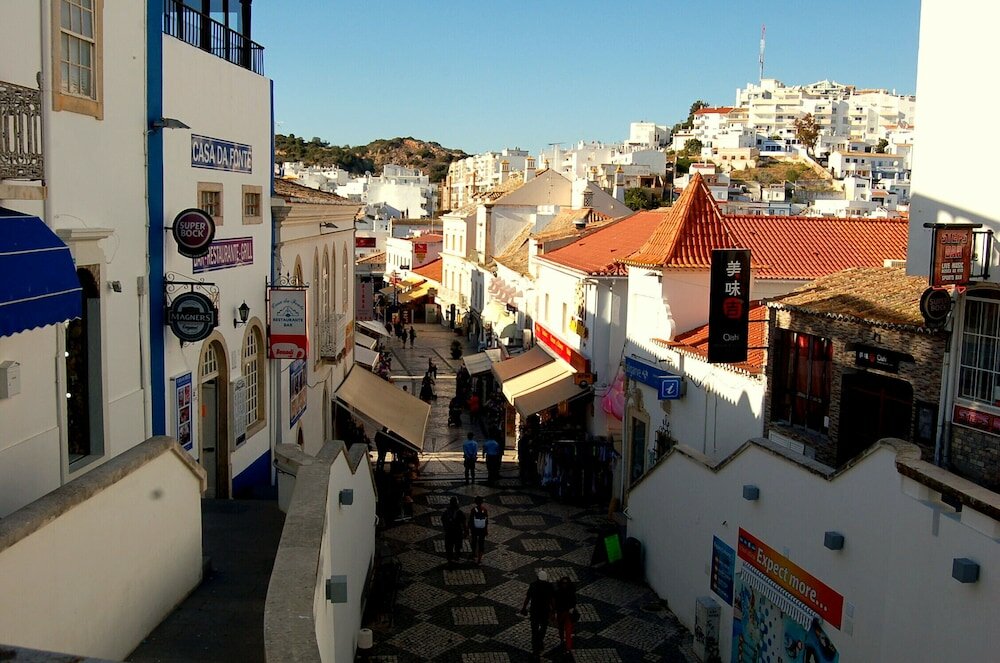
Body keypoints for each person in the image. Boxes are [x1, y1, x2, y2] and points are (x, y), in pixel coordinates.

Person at [521, 569, 555, 660]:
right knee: (543, 628)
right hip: (544, 611)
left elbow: (528, 597)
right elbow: (552, 600)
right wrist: (553, 611)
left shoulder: (533, 585)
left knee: (534, 629)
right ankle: (539, 642)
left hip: (535, 611)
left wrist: (524, 608)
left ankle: (536, 648)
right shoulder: (549, 586)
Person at [553, 575, 578, 654]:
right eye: (563, 583)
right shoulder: (558, 592)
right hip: (561, 613)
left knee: (568, 630)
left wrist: (572, 609)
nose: (564, 584)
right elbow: (555, 603)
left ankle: (568, 647)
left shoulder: (570, 592)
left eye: (566, 583)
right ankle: (561, 640)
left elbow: (574, 602)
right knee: (560, 628)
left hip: (567, 613)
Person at [442, 496, 467, 567]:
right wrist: (465, 531)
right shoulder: (460, 512)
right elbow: (464, 523)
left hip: (449, 532)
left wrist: (446, 528)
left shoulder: (446, 512)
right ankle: (456, 557)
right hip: (457, 532)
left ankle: (450, 559)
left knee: (449, 546)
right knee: (458, 546)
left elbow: (443, 520)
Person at [467, 495, 488, 564]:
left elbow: (470, 520)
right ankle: (479, 559)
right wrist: (486, 530)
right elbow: (486, 521)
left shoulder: (473, 510)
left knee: (474, 541)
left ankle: (474, 554)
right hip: (482, 529)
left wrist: (469, 528)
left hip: (475, 529)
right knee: (481, 543)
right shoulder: (484, 510)